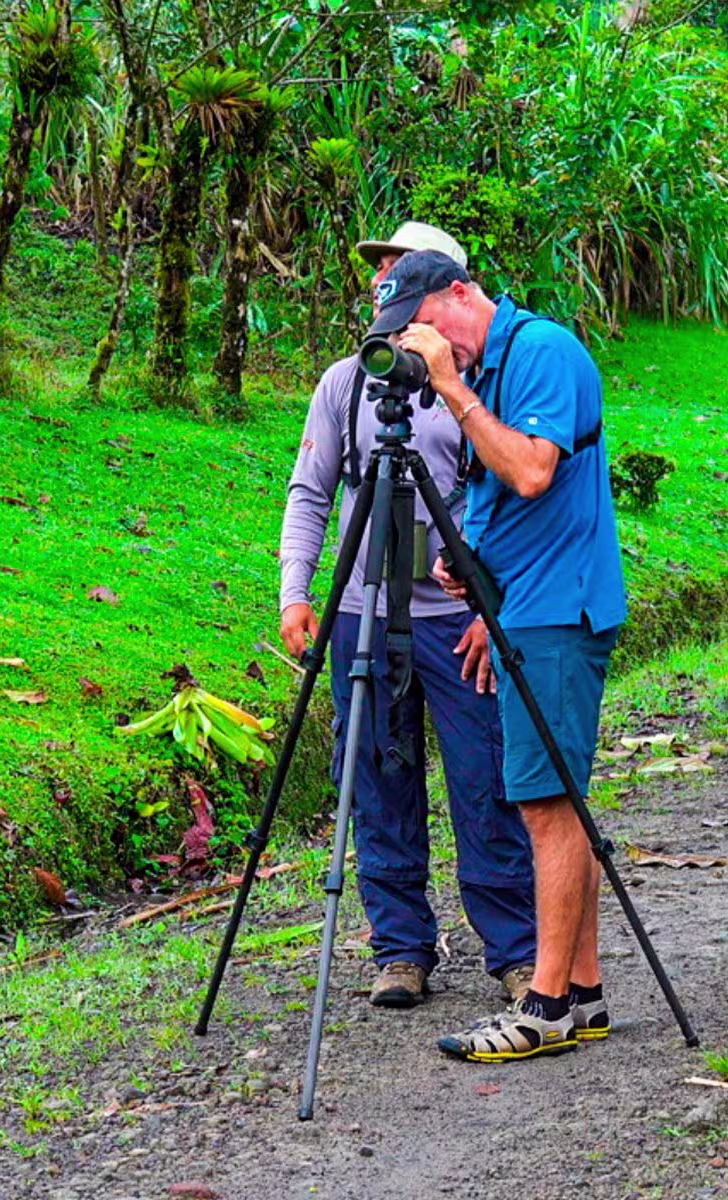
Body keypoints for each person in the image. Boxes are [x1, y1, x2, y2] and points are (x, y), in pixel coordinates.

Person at [367, 249, 628, 1062]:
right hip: (522, 609)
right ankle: (580, 992)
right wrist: (469, 568)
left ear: (460, 294)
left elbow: (532, 471)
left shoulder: (541, 351)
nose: (418, 342)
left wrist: (451, 386)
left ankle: (545, 1003)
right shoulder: (496, 366)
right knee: (556, 804)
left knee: (550, 808)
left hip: (560, 610)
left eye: (421, 325)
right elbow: (488, 496)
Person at [279, 223, 536, 1010]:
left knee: (484, 781)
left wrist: (494, 606)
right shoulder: (346, 382)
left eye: (399, 270)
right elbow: (311, 489)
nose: (383, 281)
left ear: (449, 289)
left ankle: (518, 952)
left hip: (454, 617)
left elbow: (515, 500)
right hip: (362, 609)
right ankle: (399, 948)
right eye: (380, 271)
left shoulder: (485, 383)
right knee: (376, 780)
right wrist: (298, 590)